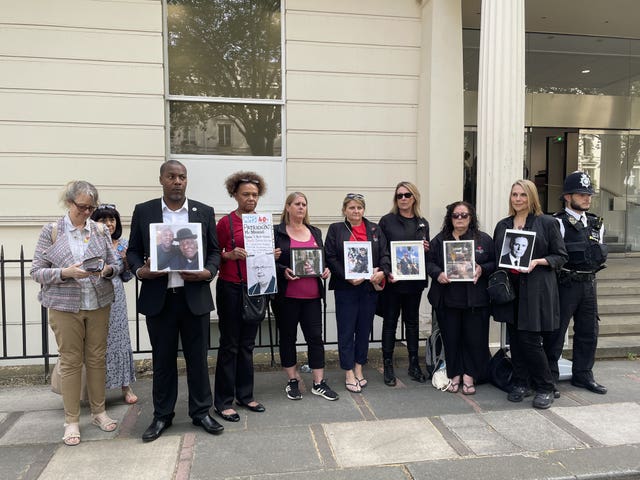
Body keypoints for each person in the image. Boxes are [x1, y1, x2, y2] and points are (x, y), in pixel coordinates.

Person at [127, 160, 224, 442]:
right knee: (163, 361)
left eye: (182, 177)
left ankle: (201, 412)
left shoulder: (203, 212)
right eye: (171, 176)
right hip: (160, 299)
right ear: (161, 179)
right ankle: (162, 416)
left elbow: (215, 252)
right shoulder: (144, 211)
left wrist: (208, 272)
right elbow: (133, 251)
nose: (177, 181)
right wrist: (140, 271)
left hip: (193, 297)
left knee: (197, 359)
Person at [31, 181, 121, 446]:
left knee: (97, 359)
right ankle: (71, 421)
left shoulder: (100, 230)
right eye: (82, 207)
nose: (87, 212)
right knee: (70, 362)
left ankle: (99, 412)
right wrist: (64, 273)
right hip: (64, 306)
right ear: (69, 203)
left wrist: (106, 270)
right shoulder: (53, 231)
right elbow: (36, 271)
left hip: (98, 303)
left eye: (91, 207)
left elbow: (116, 265)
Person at [492, 179, 568, 409]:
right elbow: (498, 257)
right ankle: (521, 382)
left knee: (531, 340)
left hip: (536, 289)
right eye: (514, 194)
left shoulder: (547, 223)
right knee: (515, 339)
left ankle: (546, 386)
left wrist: (538, 261)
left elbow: (561, 256)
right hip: (511, 290)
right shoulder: (503, 225)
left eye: (523, 195)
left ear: (532, 197)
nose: (518, 199)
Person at [214, 171, 278, 422]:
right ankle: (223, 401)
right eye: (245, 194)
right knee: (229, 345)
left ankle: (245, 394)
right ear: (234, 195)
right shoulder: (225, 223)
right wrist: (228, 255)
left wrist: (272, 256)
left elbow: (264, 254)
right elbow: (213, 252)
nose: (251, 198)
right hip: (230, 287)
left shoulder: (262, 222)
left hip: (255, 287)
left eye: (254, 194)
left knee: (247, 345)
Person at [272, 192, 338, 401]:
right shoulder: (277, 233)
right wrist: (283, 270)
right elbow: (268, 262)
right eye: (297, 204)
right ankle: (293, 379)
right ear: (288, 207)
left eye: (304, 204)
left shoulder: (315, 232)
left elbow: (322, 260)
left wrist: (326, 270)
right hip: (287, 297)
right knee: (288, 338)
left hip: (311, 296)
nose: (301, 207)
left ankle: (319, 382)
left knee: (315, 339)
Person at [426, 202, 495, 395]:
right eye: (455, 215)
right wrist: (438, 273)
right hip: (447, 299)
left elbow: (494, 263)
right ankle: (454, 373)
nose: (459, 219)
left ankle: (469, 376)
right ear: (450, 218)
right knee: (451, 338)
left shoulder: (484, 240)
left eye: (464, 215)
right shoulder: (439, 241)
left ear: (471, 217)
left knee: (475, 339)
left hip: (476, 300)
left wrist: (482, 269)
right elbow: (429, 263)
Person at [549, 171, 608, 394]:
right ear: (567, 196)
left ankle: (583, 374)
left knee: (588, 331)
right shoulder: (558, 222)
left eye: (588, 194)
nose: (586, 198)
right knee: (556, 332)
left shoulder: (596, 224)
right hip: (565, 283)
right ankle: (550, 377)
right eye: (581, 194)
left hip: (589, 284)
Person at [325, 193, 390, 393]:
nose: (356, 211)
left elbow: (385, 254)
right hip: (347, 288)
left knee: (364, 329)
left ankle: (359, 367)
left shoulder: (374, 229)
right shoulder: (336, 229)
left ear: (364, 209)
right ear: (344, 210)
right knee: (346, 330)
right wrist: (347, 276)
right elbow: (330, 256)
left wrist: (382, 272)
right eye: (352, 208)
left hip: (369, 287)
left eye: (359, 208)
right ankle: (348, 371)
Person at [378, 182, 430, 386]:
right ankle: (388, 366)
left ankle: (414, 364)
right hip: (393, 282)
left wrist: (427, 248)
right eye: (399, 195)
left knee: (412, 323)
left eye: (407, 195)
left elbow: (425, 252)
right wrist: (388, 272)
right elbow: (382, 250)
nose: (403, 199)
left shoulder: (422, 222)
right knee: (390, 323)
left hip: (414, 282)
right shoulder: (387, 221)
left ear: (414, 197)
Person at [90, 204, 137, 405]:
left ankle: (125, 385)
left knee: (119, 338)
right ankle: (94, 388)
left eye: (112, 219)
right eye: (103, 220)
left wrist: (127, 262)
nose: (109, 224)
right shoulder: (88, 241)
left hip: (116, 296)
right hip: (92, 294)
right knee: (96, 341)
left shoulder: (123, 243)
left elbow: (127, 276)